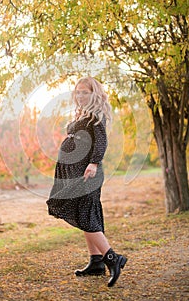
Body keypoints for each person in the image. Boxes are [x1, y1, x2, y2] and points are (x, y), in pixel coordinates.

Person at [46, 76, 127, 287]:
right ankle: (96, 262)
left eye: (85, 92)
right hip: (77, 171)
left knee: (86, 213)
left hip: (88, 172)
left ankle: (112, 258)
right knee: (85, 213)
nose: (80, 96)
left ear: (94, 94)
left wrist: (94, 163)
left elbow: (101, 141)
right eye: (78, 92)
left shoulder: (96, 114)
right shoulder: (82, 113)